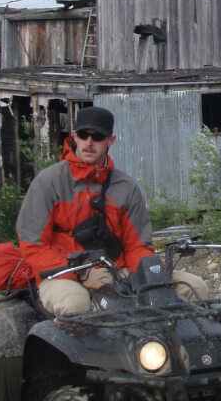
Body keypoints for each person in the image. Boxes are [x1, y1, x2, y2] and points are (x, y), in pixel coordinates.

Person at [16, 105, 207, 315]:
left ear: (110, 141)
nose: (89, 143)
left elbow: (137, 245)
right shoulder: (49, 182)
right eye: (83, 135)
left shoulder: (125, 187)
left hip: (117, 271)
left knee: (194, 287)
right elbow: (32, 244)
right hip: (61, 274)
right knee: (75, 304)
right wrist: (81, 273)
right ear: (74, 137)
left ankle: (175, 346)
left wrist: (151, 272)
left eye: (97, 137)